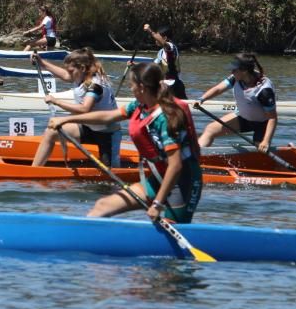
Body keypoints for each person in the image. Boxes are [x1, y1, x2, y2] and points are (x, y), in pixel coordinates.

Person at [47, 62, 202, 223]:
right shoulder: (140, 106)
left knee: (170, 227)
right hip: (158, 177)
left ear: (142, 87)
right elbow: (107, 116)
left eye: (132, 85)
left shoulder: (164, 117)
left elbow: (175, 165)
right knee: (103, 206)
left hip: (182, 182)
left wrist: (157, 203)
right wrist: (66, 119)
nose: (130, 88)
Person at [30, 49, 121, 168]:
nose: (69, 74)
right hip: (88, 128)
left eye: (71, 71)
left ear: (82, 68)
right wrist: (42, 63)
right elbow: (65, 75)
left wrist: (56, 101)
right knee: (51, 131)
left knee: (109, 176)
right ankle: (35, 169)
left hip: (107, 133)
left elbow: (84, 109)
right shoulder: (81, 75)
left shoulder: (96, 85)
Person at [197, 53, 277, 153]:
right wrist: (201, 99)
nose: (232, 72)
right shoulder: (235, 78)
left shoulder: (264, 90)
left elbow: (272, 118)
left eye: (234, 70)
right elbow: (218, 89)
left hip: (262, 123)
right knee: (210, 129)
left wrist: (266, 141)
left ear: (244, 71)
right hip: (243, 117)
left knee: (260, 149)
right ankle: (196, 159)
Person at [144, 23, 185, 99]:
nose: (155, 39)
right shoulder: (161, 52)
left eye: (157, 37)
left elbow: (165, 45)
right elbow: (152, 66)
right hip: (166, 84)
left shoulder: (170, 46)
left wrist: (150, 31)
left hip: (174, 85)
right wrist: (135, 65)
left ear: (165, 38)